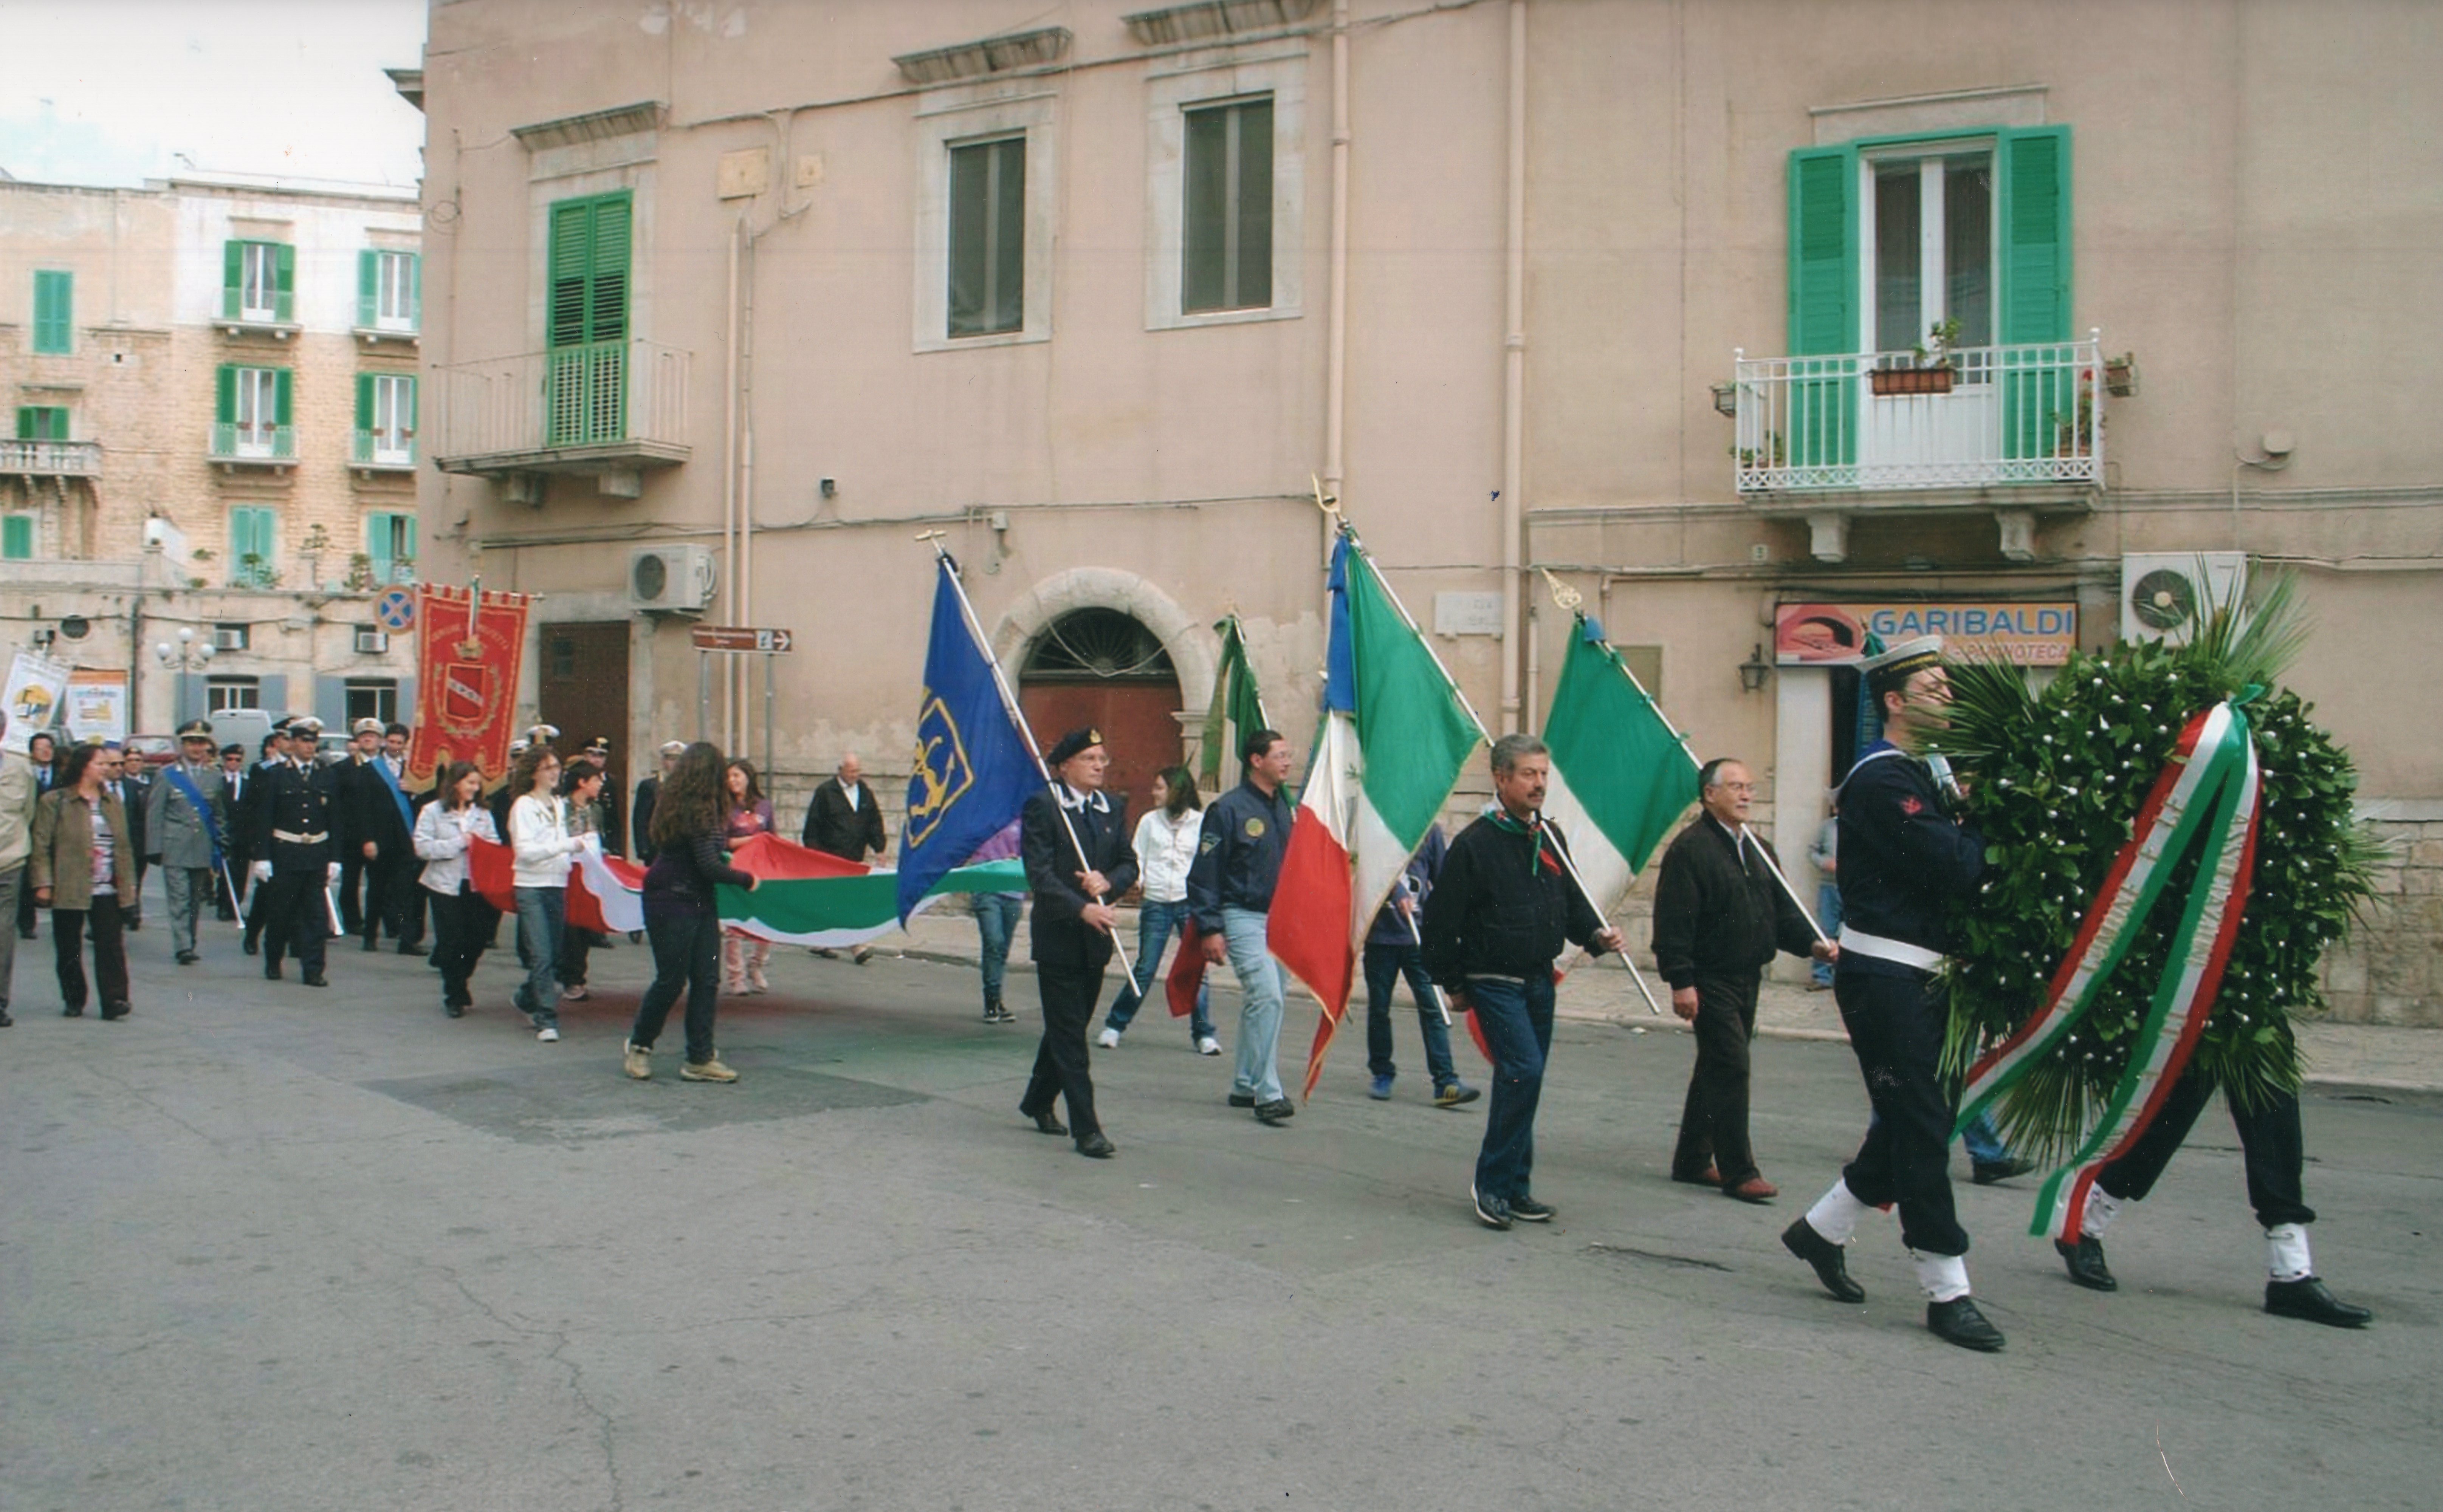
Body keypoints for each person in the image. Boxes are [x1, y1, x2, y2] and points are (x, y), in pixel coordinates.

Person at [1779, 637, 2005, 1353]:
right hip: (1886, 976)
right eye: (1933, 687)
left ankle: (1819, 1231)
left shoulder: (1926, 774)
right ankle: (1946, 1288)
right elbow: (1957, 865)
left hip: (1925, 975)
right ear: (1895, 703)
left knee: (1917, 1117)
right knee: (1919, 1125)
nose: (1948, 696)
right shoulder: (1880, 780)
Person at [1422, 735, 1625, 1231]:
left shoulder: (1548, 835)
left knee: (1524, 1079)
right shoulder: (1474, 843)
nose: (1538, 784)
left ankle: (1516, 1187)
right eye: (1528, 775)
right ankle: (1489, 1184)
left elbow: (1572, 905)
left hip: (1539, 978)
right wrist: (1451, 981)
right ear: (1500, 778)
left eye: (1542, 774)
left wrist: (1597, 936)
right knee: (1523, 1070)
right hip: (1493, 977)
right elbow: (1441, 921)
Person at [2051, 1069, 2371, 1327]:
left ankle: (2291, 1271)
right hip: (2194, 999)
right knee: (2171, 1112)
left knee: (2274, 1110)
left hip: (2250, 999)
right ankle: (2086, 1223)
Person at [1651, 758, 1834, 1202]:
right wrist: (1681, 981)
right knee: (1731, 1064)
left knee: (1716, 1064)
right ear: (1709, 794)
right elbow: (1673, 924)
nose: (1746, 794)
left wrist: (1814, 944)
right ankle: (1740, 1170)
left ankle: (1692, 1159)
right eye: (1735, 786)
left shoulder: (1759, 847)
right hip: (1708, 977)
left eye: (1749, 786)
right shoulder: (1690, 849)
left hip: (1748, 974)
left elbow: (1784, 911)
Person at [1016, 728, 1136, 1159]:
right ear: (1065, 765)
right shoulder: (1045, 807)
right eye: (1089, 758)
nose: (1099, 764)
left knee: (1068, 1027)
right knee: (1070, 1036)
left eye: (1102, 757)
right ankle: (1087, 1129)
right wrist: (1080, 908)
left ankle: (1036, 1100)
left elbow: (1128, 861)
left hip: (1097, 940)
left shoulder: (1111, 807)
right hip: (1060, 936)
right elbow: (1041, 875)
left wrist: (1110, 882)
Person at [624, 741, 756, 1083]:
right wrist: (747, 879)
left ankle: (700, 1056)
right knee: (672, 979)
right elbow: (709, 864)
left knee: (706, 978)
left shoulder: (681, 804)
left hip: (692, 898)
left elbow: (705, 858)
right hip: (672, 899)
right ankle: (639, 1045)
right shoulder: (701, 811)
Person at [1186, 729, 1299, 1125]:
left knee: (1267, 1000)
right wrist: (1210, 927)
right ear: (1256, 761)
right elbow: (1205, 872)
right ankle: (1269, 1094)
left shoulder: (1285, 807)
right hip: (1242, 914)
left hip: (1280, 918)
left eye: (1289, 754)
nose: (1287, 761)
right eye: (1280, 755)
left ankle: (1244, 1082)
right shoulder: (1228, 809)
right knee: (1267, 995)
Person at [1096, 765, 1217, 1054]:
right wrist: (1140, 882)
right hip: (1157, 903)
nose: (1154, 793)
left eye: (1160, 787)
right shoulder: (1150, 821)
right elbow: (1136, 857)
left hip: (1189, 903)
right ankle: (1115, 1024)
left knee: (1196, 969)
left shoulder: (1202, 823)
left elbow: (1209, 862)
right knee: (1145, 967)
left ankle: (1203, 1033)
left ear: (1177, 790)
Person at [1364, 825, 1479, 1107]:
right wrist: (1397, 893)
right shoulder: (1378, 825)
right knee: (1379, 1007)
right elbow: (1370, 869)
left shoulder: (1430, 831)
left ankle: (1445, 1081)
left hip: (1419, 937)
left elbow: (1442, 880)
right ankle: (1382, 1071)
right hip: (1381, 937)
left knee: (1432, 1006)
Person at [28, 741, 137, 1020]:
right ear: (83, 767)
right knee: (69, 947)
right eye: (100, 764)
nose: (106, 769)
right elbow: (41, 845)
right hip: (70, 883)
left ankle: (115, 1000)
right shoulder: (56, 801)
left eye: (109, 764)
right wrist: (43, 883)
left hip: (107, 885)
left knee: (111, 944)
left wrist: (129, 886)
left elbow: (124, 847)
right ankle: (74, 997)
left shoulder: (112, 802)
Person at [246, 715, 338, 988]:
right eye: (305, 741)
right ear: (294, 743)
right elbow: (264, 818)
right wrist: (262, 857)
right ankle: (274, 960)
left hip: (316, 854)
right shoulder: (276, 775)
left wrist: (335, 858)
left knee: (315, 916)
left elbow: (336, 819)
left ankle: (313, 969)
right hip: (285, 853)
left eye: (314, 742)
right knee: (281, 913)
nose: (310, 747)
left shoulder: (326, 775)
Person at [507, 743, 589, 1042]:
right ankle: (546, 1018)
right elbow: (526, 852)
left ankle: (526, 996)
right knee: (541, 952)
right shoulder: (523, 806)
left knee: (554, 953)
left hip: (557, 884)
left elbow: (563, 840)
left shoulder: (557, 804)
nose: (556, 773)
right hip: (531, 885)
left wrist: (580, 850)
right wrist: (567, 846)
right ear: (534, 773)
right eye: (549, 768)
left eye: (557, 768)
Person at [414, 761, 500, 1018]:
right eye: (470, 783)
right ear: (455, 784)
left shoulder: (482, 813)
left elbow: (494, 842)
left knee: (476, 937)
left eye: (477, 783)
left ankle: (462, 976)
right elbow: (422, 847)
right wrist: (459, 843)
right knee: (452, 940)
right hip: (443, 884)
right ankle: (454, 992)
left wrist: (483, 846)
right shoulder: (432, 811)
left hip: (474, 883)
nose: (475, 788)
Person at [145, 720, 229, 966]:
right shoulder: (168, 775)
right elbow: (155, 813)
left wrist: (222, 842)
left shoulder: (214, 776)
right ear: (182, 745)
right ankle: (182, 946)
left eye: (201, 743)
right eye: (192, 743)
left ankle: (190, 940)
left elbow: (219, 813)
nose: (196, 748)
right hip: (175, 846)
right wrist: (155, 848)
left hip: (202, 846)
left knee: (195, 899)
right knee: (179, 897)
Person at [802, 752, 886, 963]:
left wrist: (880, 848)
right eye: (851, 771)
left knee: (845, 900)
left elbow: (873, 820)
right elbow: (813, 824)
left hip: (855, 857)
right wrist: (814, 854)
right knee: (841, 901)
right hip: (831, 857)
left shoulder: (865, 792)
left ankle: (823, 941)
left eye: (858, 771)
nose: (855, 775)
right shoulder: (825, 792)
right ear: (841, 770)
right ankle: (856, 945)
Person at [720, 758, 777, 993]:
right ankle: (736, 977)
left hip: (762, 870)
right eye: (729, 777)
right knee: (735, 926)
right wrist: (752, 840)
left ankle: (757, 966)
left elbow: (773, 837)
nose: (732, 781)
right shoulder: (723, 808)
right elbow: (722, 841)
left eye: (737, 776)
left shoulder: (764, 806)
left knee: (766, 922)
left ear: (748, 778)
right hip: (735, 868)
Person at [556, 756, 609, 1002]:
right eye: (597, 780)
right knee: (569, 928)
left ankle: (575, 975)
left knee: (585, 925)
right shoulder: (559, 808)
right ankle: (571, 977)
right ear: (582, 782)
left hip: (590, 873)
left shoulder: (596, 810)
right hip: (566, 871)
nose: (601, 785)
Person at [332, 718, 388, 938]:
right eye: (364, 736)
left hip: (381, 835)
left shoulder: (388, 768)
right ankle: (353, 920)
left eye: (372, 736)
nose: (368, 739)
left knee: (380, 883)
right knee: (350, 882)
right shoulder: (342, 769)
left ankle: (379, 922)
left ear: (380, 741)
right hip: (351, 835)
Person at [0, 710, 38, 1026]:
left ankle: (0, 1001)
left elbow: (28, 812)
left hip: (9, 859)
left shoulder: (20, 768)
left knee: (3, 933)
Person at [968, 818, 1025, 1024]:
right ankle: (991, 1000)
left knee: (1003, 949)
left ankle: (998, 998)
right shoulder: (983, 813)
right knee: (994, 941)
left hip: (1013, 889)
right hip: (987, 887)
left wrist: (1018, 858)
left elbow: (1031, 848)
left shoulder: (1021, 818)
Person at [239, 727, 289, 956]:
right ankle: (253, 933)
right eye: (286, 739)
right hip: (272, 840)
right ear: (277, 742)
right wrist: (256, 845)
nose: (291, 743)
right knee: (267, 893)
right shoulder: (263, 770)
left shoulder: (310, 769)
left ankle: (295, 941)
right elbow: (253, 808)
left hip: (299, 842)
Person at [381, 723, 428, 954]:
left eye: (400, 743)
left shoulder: (413, 770)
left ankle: (409, 936)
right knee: (389, 888)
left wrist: (415, 790)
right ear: (385, 742)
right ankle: (392, 926)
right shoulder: (375, 768)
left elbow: (423, 802)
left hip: (409, 837)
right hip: (386, 837)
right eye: (392, 742)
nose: (395, 747)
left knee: (410, 890)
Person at [100, 742, 148, 931]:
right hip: (103, 846)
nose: (119, 768)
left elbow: (140, 819)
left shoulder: (133, 787)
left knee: (131, 882)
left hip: (131, 847)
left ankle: (131, 912)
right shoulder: (96, 789)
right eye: (113, 765)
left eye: (121, 764)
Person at [15, 729, 56, 942]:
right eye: (41, 749)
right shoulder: (25, 773)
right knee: (27, 881)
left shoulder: (61, 774)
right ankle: (27, 924)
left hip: (56, 832)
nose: (46, 752)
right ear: (32, 753)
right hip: (31, 831)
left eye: (49, 748)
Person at [631, 739, 685, 863]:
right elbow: (640, 819)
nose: (675, 763)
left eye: (679, 759)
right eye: (671, 759)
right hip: (656, 847)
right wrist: (643, 849)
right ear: (663, 761)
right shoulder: (650, 786)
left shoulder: (689, 786)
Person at [1806, 798, 1840, 990]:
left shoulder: (1861, 825)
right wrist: (1823, 863)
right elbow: (1812, 852)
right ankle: (1822, 976)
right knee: (1826, 930)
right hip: (1829, 886)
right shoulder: (1826, 828)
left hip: (1853, 888)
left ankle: (1844, 976)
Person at [215, 743, 250, 921]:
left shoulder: (247, 783)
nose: (234, 763)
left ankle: (236, 904)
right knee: (225, 872)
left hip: (243, 835)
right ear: (224, 761)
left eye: (237, 760)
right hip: (224, 833)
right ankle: (224, 905)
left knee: (241, 873)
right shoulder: (218, 782)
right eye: (230, 759)